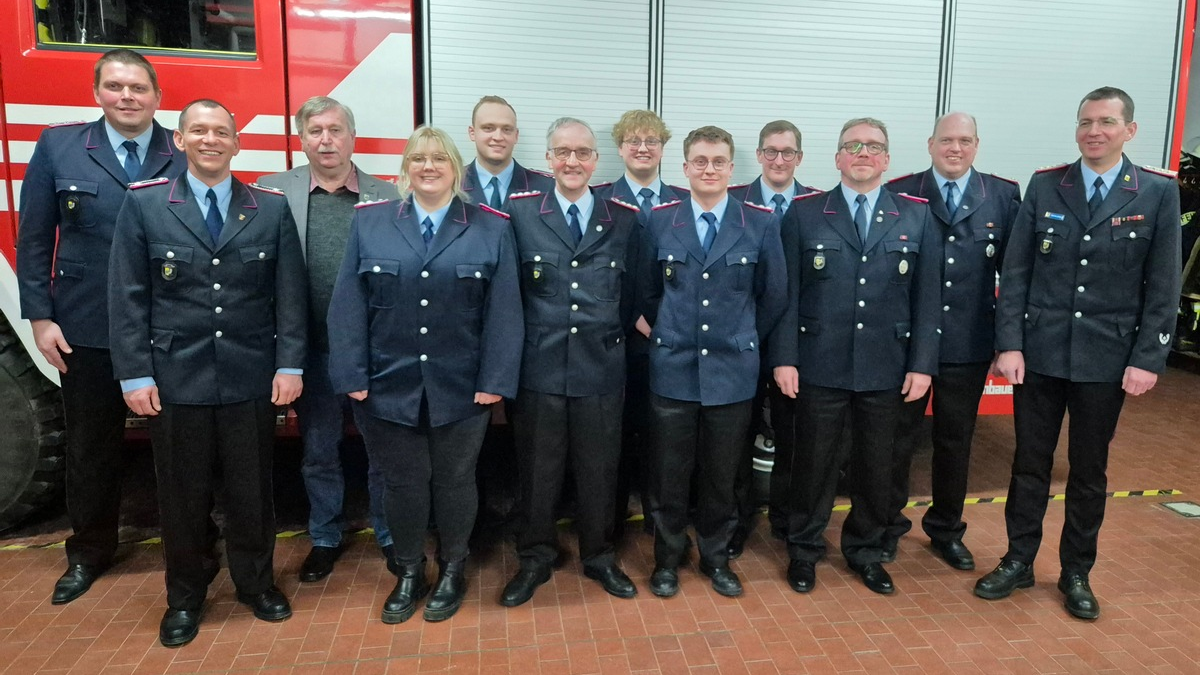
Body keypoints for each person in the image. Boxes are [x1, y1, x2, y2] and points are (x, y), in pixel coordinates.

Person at [976, 87, 1181, 620]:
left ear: (1129, 131)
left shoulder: (1156, 193)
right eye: (1086, 121)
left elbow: (1163, 288)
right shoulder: (1047, 185)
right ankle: (1018, 560)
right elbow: (1016, 272)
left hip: (1106, 360)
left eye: (1107, 122)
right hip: (1039, 355)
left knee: (1088, 472)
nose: (1095, 131)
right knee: (1029, 465)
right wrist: (1010, 344)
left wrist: (1147, 358)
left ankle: (1076, 573)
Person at [108, 99, 307, 646]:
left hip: (249, 376)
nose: (211, 140)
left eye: (222, 132)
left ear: (237, 144)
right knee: (182, 495)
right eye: (200, 131)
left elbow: (289, 293)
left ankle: (256, 584)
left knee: (252, 491)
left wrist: (289, 364)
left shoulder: (267, 208)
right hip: (176, 378)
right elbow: (127, 296)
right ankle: (186, 596)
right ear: (180, 140)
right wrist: (135, 375)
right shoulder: (146, 205)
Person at [327, 126, 522, 624]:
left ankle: (453, 568)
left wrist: (494, 380)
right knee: (403, 484)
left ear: (456, 168)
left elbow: (504, 313)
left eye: (439, 158)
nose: (429, 166)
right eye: (419, 159)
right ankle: (409, 571)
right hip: (387, 385)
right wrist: (352, 373)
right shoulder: (370, 223)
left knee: (456, 481)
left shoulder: (490, 226)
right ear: (406, 169)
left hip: (462, 387)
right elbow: (348, 304)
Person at [16, 48, 186, 606]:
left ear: (157, 97)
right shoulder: (59, 146)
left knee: (178, 447)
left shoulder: (181, 150)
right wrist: (40, 318)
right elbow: (35, 237)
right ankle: (89, 552)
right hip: (85, 326)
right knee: (91, 449)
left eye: (139, 88)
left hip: (166, 329)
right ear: (97, 93)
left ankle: (194, 551)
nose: (128, 96)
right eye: (116, 86)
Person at [770, 117, 942, 596]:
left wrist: (922, 363)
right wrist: (784, 358)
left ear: (886, 159)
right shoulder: (804, 213)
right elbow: (787, 296)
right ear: (838, 158)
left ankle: (866, 550)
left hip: (886, 367)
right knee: (813, 465)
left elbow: (928, 299)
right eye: (853, 146)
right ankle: (804, 550)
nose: (863, 153)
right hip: (818, 364)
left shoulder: (915, 215)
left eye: (874, 147)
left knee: (877, 467)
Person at [638, 125, 786, 599]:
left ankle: (716, 559)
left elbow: (773, 295)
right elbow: (643, 290)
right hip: (673, 370)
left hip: (731, 374)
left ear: (731, 168)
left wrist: (741, 337)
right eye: (699, 161)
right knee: (669, 475)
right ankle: (667, 559)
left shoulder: (759, 222)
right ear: (683, 168)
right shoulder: (660, 221)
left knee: (722, 477)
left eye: (718, 161)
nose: (708, 169)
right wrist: (665, 332)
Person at [500, 118, 641, 607]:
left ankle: (600, 556)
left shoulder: (622, 217)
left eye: (582, 152)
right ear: (548, 158)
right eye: (563, 152)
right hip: (538, 368)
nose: (573, 161)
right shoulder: (518, 214)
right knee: (537, 471)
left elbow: (634, 294)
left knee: (600, 470)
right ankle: (535, 556)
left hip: (601, 367)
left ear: (596, 160)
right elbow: (508, 297)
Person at [258, 96, 399, 582]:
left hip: (373, 354)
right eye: (315, 130)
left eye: (335, 130)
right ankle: (325, 536)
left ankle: (390, 534)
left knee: (384, 452)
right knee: (319, 450)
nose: (326, 139)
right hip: (309, 353)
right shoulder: (274, 193)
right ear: (301, 138)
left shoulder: (388, 197)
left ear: (352, 136)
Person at [882, 112, 1022, 570]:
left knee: (955, 440)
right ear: (930, 144)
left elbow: (1015, 276)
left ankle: (946, 529)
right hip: (905, 345)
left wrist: (1008, 341)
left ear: (977, 145)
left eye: (964, 140)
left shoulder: (1002, 195)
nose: (955, 148)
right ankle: (888, 525)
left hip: (968, 342)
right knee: (896, 440)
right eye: (947, 140)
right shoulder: (899, 191)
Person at [594, 109, 688, 538]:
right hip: (615, 338)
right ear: (619, 148)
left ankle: (658, 519)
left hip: (670, 339)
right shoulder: (599, 201)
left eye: (652, 140)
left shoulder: (686, 201)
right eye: (633, 140)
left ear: (663, 148)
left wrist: (663, 323)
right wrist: (632, 317)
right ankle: (608, 522)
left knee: (662, 437)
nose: (643, 147)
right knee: (613, 435)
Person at [727, 119, 818, 557]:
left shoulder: (821, 205)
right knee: (738, 437)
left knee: (793, 437)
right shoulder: (731, 201)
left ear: (799, 158)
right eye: (770, 151)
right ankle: (739, 520)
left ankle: (785, 519)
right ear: (759, 155)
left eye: (788, 152)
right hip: (739, 342)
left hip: (797, 347)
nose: (778, 160)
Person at [462, 95, 554, 209]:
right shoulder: (452, 185)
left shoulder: (546, 188)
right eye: (488, 128)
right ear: (472, 133)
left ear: (516, 135)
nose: (498, 137)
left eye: (506, 129)